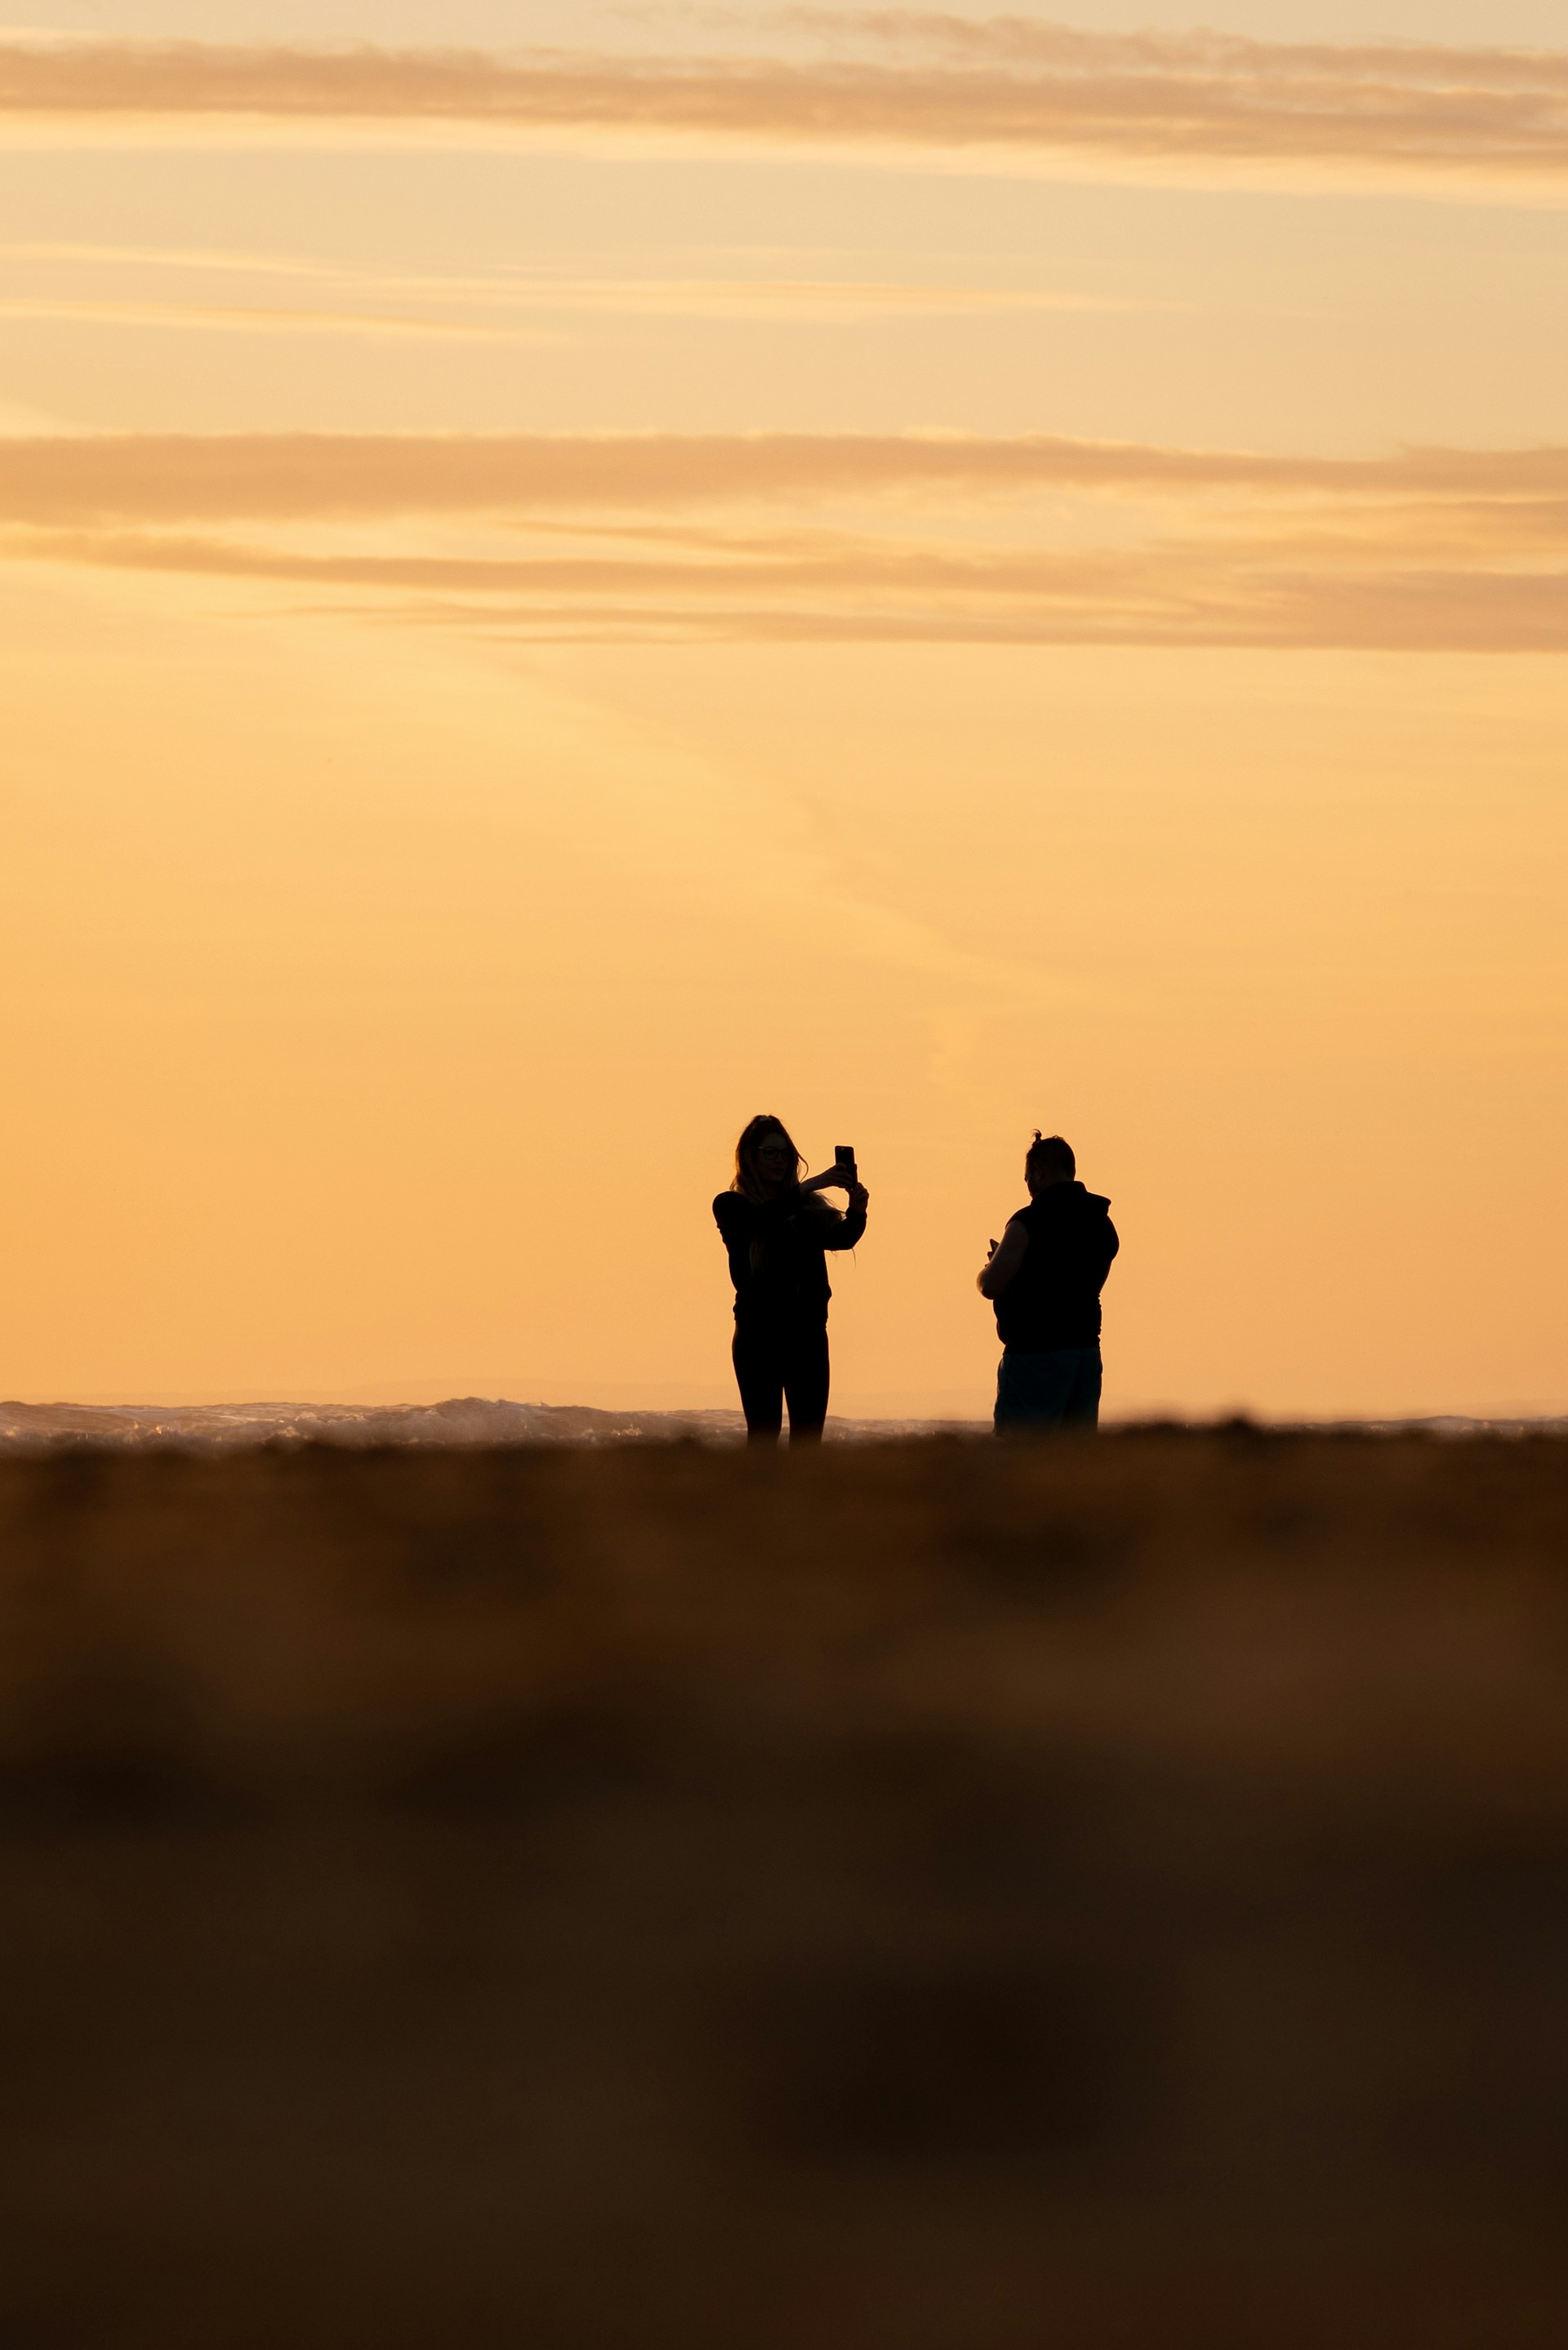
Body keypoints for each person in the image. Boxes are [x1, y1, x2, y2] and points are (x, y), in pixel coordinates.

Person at [714, 1116, 869, 1444]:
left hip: (808, 1335)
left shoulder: (806, 1208)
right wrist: (808, 1186)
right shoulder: (732, 1205)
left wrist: (857, 1212)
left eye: (784, 1154)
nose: (779, 1161)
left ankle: (805, 1496)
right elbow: (759, 1221)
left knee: (809, 1439)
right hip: (759, 1336)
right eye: (770, 1153)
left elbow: (840, 1238)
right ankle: (759, 1496)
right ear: (750, 1157)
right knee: (763, 1436)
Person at [977, 1132, 1118, 1434]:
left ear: (1039, 1172)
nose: (1028, 1187)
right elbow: (1089, 1283)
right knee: (1073, 1458)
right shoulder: (1102, 1223)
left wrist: (990, 1265)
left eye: (1028, 1178)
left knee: (1021, 1455)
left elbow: (991, 1285)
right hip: (1085, 1352)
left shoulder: (1028, 1221)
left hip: (1034, 1356)